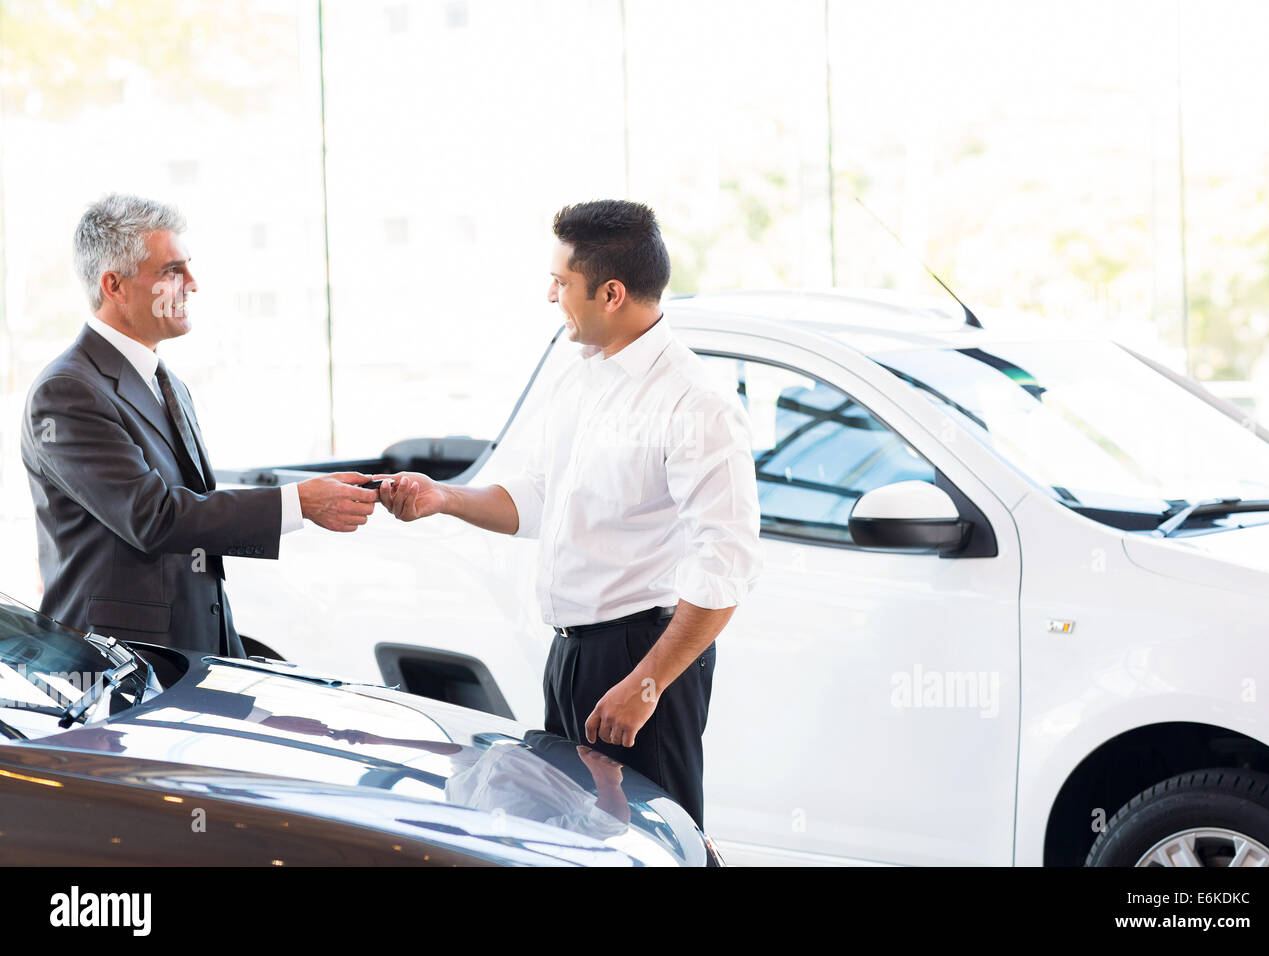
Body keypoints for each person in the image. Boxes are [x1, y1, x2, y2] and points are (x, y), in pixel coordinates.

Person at [377, 199, 762, 828]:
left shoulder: (695, 402)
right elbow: (536, 499)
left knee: (650, 846)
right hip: (572, 657)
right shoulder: (580, 378)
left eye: (561, 282)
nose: (550, 295)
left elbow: (726, 569)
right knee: (575, 843)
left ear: (610, 293)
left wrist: (645, 686)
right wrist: (444, 498)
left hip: (643, 661)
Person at [20, 194, 378, 656]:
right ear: (114, 285)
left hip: (196, 645)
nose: (192, 283)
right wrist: (299, 504)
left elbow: (196, 511)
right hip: (121, 665)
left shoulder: (165, 380)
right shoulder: (67, 391)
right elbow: (154, 518)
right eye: (172, 271)